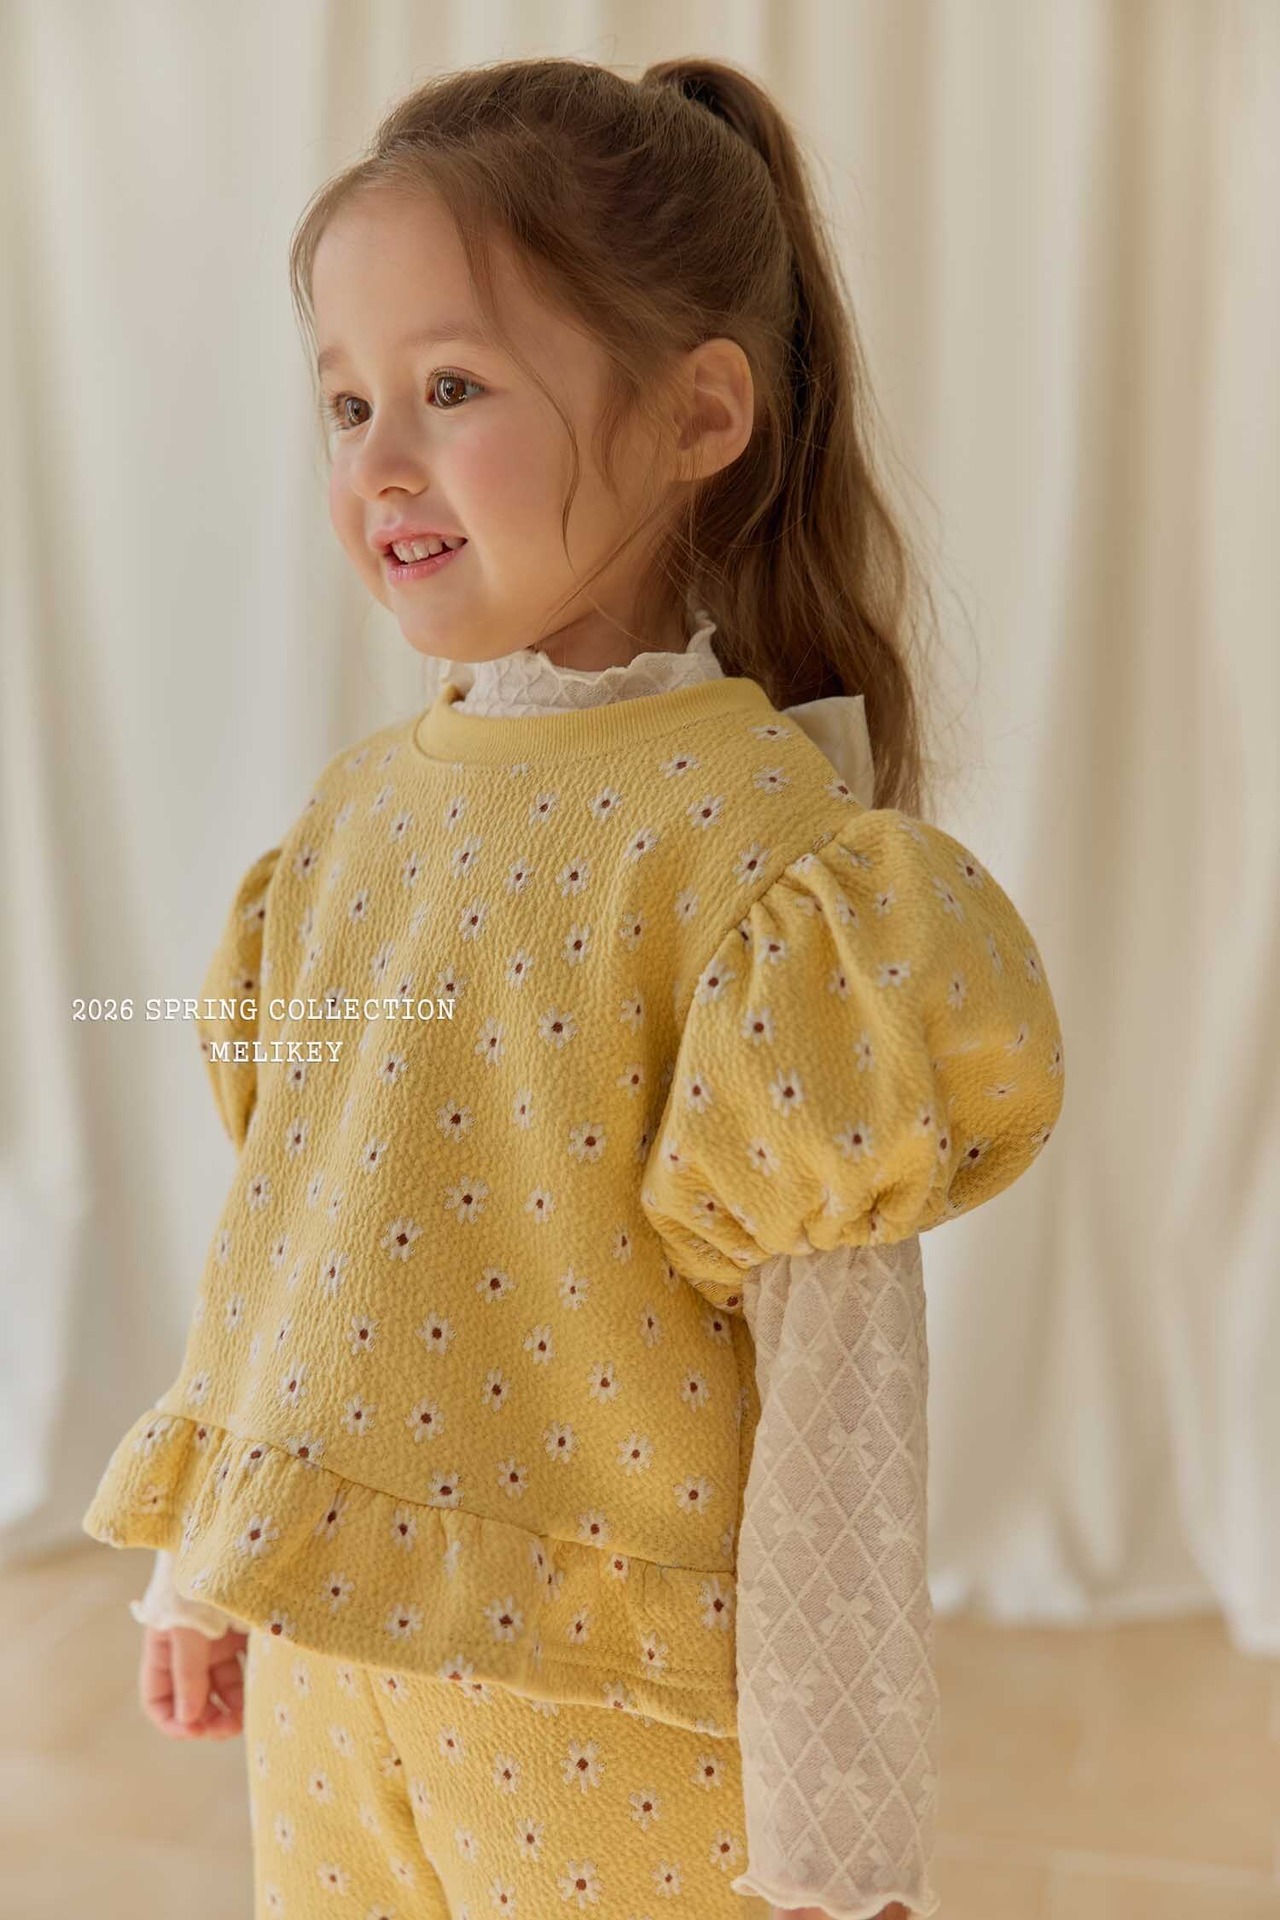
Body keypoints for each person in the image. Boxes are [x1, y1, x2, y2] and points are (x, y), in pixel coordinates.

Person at [83, 54, 1065, 1920]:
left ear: (702, 413)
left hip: (612, 1733)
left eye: (451, 389)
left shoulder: (769, 862)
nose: (379, 461)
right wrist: (202, 1565)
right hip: (331, 1684)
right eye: (348, 401)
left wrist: (840, 1853)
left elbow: (841, 1398)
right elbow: (301, 1231)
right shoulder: (354, 820)